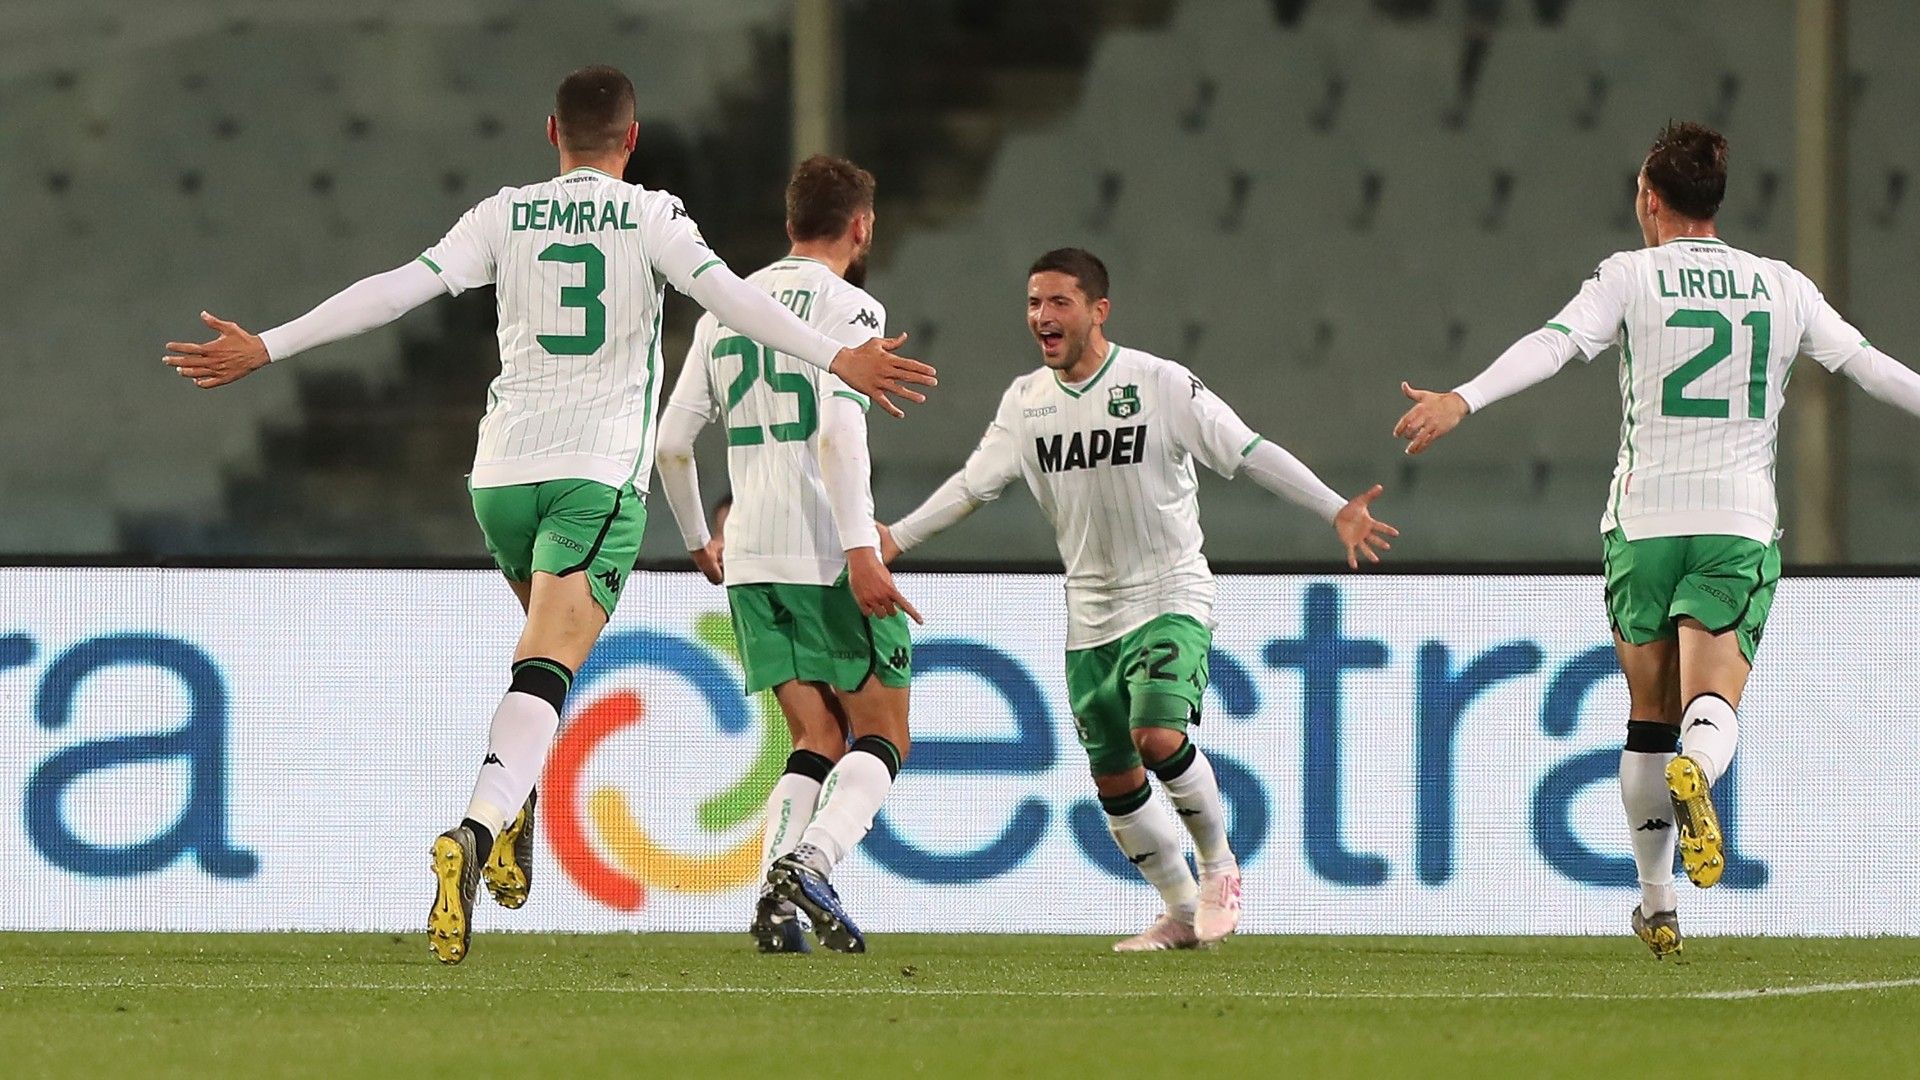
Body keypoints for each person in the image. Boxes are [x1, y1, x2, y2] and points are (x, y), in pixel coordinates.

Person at [161, 67, 936, 965]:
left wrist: (271, 344)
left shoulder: (503, 213)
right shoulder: (653, 216)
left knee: (536, 657)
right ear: (633, 139)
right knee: (545, 670)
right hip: (593, 477)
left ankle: (513, 795)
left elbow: (396, 289)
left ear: (550, 133)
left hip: (499, 477)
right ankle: (478, 825)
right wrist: (838, 357)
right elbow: (735, 302)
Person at [1393, 121, 1920, 959]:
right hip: (1736, 522)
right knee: (1713, 703)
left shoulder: (1629, 277)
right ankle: (1700, 773)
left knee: (1648, 714)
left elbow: (1554, 345)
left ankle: (1656, 901)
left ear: (1649, 198)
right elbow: (1868, 367)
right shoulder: (1780, 286)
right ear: (1714, 201)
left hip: (1642, 522)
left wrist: (1463, 398)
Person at [883, 248, 1396, 951]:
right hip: (1089, 611)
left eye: (1059, 302)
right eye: (1034, 303)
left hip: (1169, 590)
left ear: (1099, 310)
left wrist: (1335, 507)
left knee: (1158, 737)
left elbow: (1246, 449)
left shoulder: (1157, 383)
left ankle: (1219, 868)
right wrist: (897, 540)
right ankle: (1181, 911)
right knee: (1114, 776)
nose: (1042, 317)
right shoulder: (1025, 402)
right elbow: (975, 485)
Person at [655, 155, 918, 955]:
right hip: (821, 548)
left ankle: (773, 900)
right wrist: (861, 549)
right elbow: (839, 432)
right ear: (861, 225)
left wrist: (700, 537)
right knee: (884, 730)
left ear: (790, 220)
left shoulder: (722, 309)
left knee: (815, 736)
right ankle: (812, 861)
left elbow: (670, 445)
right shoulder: (853, 309)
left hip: (751, 554)